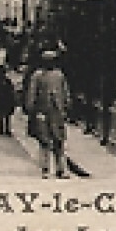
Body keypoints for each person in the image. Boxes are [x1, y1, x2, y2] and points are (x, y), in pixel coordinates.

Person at [26, 49, 71, 178]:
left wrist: (66, 106)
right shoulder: (37, 75)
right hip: (42, 112)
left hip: (57, 113)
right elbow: (32, 94)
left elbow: (65, 92)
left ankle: (60, 169)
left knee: (59, 141)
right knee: (44, 141)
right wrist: (31, 110)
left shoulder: (59, 75)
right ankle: (45, 169)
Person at [0, 63, 18, 136]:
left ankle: (5, 129)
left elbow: (11, 91)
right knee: (2, 115)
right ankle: (3, 129)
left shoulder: (0, 82)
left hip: (5, 100)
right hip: (1, 100)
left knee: (4, 115)